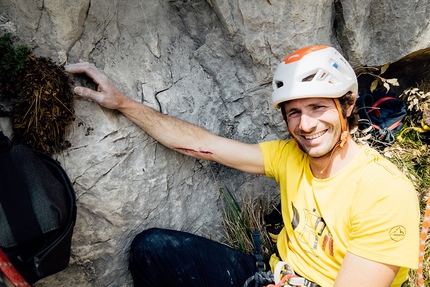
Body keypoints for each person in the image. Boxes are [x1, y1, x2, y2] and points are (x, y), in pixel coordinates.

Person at [65, 45, 419, 287]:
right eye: (294, 112)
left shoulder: (384, 192)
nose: (306, 125)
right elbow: (204, 146)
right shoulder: (289, 156)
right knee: (152, 250)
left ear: (347, 106)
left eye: (318, 107)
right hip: (271, 278)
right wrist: (123, 103)